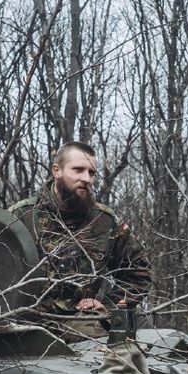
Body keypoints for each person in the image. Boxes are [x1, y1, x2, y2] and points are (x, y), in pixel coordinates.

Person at [10, 142, 152, 337]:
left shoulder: (104, 221)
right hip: (23, 322)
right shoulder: (22, 216)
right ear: (57, 170)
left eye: (91, 173)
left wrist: (109, 305)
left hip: (79, 323)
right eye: (78, 170)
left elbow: (139, 274)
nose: (86, 179)